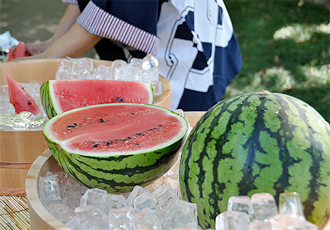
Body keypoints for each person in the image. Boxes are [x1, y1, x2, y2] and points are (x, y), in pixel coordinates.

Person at [12, 0, 242, 111]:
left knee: (178, 128)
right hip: (157, 38)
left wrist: (39, 61)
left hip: (185, 44)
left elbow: (98, 24)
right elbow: (90, 3)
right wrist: (53, 43)